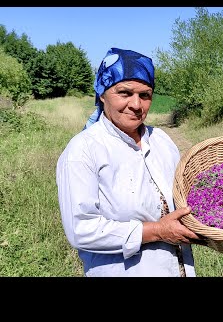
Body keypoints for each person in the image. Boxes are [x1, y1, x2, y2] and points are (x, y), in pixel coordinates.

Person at [56, 47, 203, 277]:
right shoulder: (84, 150)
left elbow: (182, 195)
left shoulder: (161, 140)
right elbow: (80, 229)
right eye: (124, 93)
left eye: (145, 95)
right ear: (102, 93)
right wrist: (157, 231)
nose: (136, 104)